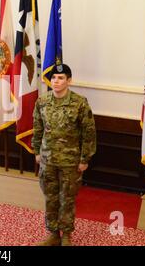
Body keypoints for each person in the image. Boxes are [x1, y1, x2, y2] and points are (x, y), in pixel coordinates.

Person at [31, 64, 96, 246]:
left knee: (67, 199)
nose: (56, 81)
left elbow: (88, 132)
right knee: (50, 198)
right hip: (47, 160)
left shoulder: (79, 103)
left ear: (69, 81)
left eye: (60, 78)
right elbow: (37, 128)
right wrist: (37, 151)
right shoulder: (42, 102)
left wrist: (85, 159)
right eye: (53, 78)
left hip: (70, 161)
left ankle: (66, 234)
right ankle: (53, 233)